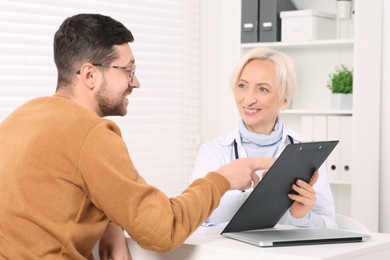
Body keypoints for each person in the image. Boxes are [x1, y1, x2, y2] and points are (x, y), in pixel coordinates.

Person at [0, 14, 275, 259]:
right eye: (128, 70)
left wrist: (111, 222)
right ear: (90, 75)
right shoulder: (91, 133)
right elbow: (161, 230)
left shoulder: (20, 118)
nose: (135, 82)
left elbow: (61, 194)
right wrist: (222, 179)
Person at [192, 47, 337, 228]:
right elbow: (196, 216)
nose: (249, 99)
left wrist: (301, 216)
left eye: (263, 89)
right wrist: (263, 193)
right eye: (242, 86)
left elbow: (330, 226)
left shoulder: (308, 151)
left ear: (283, 100)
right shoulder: (213, 151)